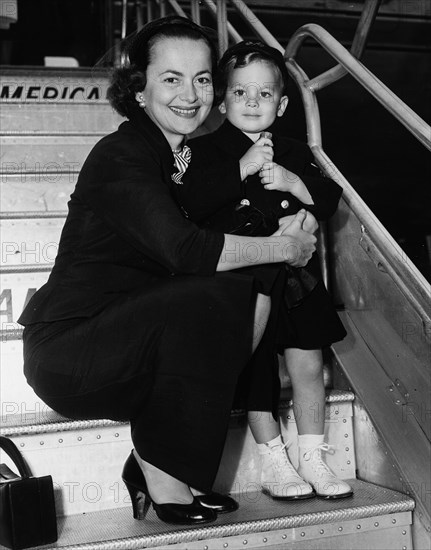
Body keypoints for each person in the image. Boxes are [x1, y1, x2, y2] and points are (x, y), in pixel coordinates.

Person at [17, 19, 318, 525]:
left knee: (251, 282)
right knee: (218, 289)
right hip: (72, 352)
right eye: (172, 79)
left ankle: (157, 457)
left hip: (132, 335)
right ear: (138, 88)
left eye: (202, 79)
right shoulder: (123, 154)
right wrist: (285, 247)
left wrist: (286, 223)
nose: (191, 94)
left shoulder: (177, 158)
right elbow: (184, 250)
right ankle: (160, 464)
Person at [178, 41, 352, 500]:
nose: (253, 102)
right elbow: (193, 207)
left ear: (283, 102)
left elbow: (330, 198)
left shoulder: (295, 151)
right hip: (246, 281)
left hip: (297, 279)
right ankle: (273, 456)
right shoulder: (203, 152)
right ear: (221, 99)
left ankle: (312, 455)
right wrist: (243, 168)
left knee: (309, 364)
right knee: (256, 370)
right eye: (240, 93)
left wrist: (294, 183)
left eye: (265, 94)